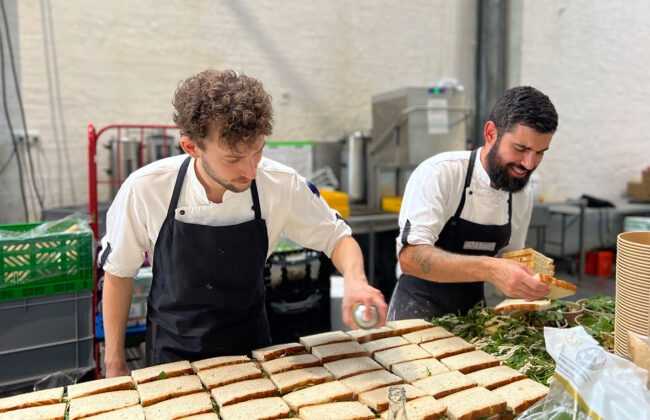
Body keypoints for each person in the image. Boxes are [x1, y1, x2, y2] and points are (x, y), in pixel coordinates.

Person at [100, 69, 387, 377]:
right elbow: (119, 273)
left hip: (251, 352)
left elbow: (337, 238)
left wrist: (356, 280)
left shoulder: (279, 184)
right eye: (233, 159)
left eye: (258, 152)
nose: (250, 171)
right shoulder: (147, 188)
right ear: (192, 148)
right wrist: (114, 362)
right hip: (172, 355)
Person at [387, 86, 558, 321]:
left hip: (472, 317)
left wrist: (530, 290)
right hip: (416, 311)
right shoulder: (441, 173)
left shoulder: (520, 193)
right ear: (491, 133)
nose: (529, 164)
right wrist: (489, 268)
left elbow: (512, 259)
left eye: (540, 153)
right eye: (521, 149)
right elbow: (411, 258)